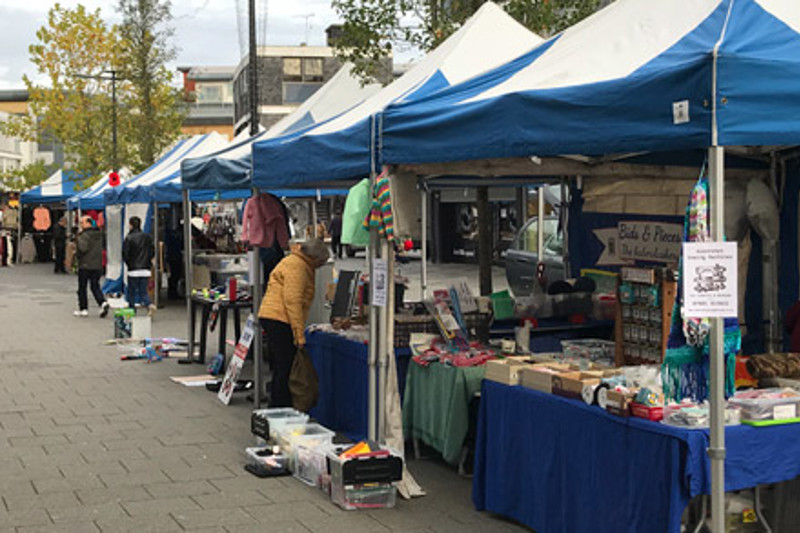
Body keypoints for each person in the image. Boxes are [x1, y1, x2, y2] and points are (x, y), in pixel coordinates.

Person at [258, 239, 329, 407]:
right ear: (313, 258)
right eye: (320, 262)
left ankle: (277, 405)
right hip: (280, 319)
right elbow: (293, 302)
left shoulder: (295, 261)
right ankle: (279, 407)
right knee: (285, 367)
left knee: (280, 365)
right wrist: (299, 334)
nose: (320, 266)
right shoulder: (298, 267)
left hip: (273, 315)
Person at [75, 216, 109, 318]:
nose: (80, 225)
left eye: (82, 223)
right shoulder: (100, 234)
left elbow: (82, 248)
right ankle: (102, 302)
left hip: (85, 264)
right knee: (95, 285)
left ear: (89, 223)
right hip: (97, 264)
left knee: (82, 287)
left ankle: (83, 309)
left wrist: (77, 244)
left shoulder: (84, 235)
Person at [122, 216, 156, 316]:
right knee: (143, 291)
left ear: (130, 225)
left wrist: (129, 264)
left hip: (133, 269)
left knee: (132, 291)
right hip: (145, 268)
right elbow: (152, 251)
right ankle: (149, 304)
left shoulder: (129, 238)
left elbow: (125, 254)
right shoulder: (147, 237)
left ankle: (132, 310)